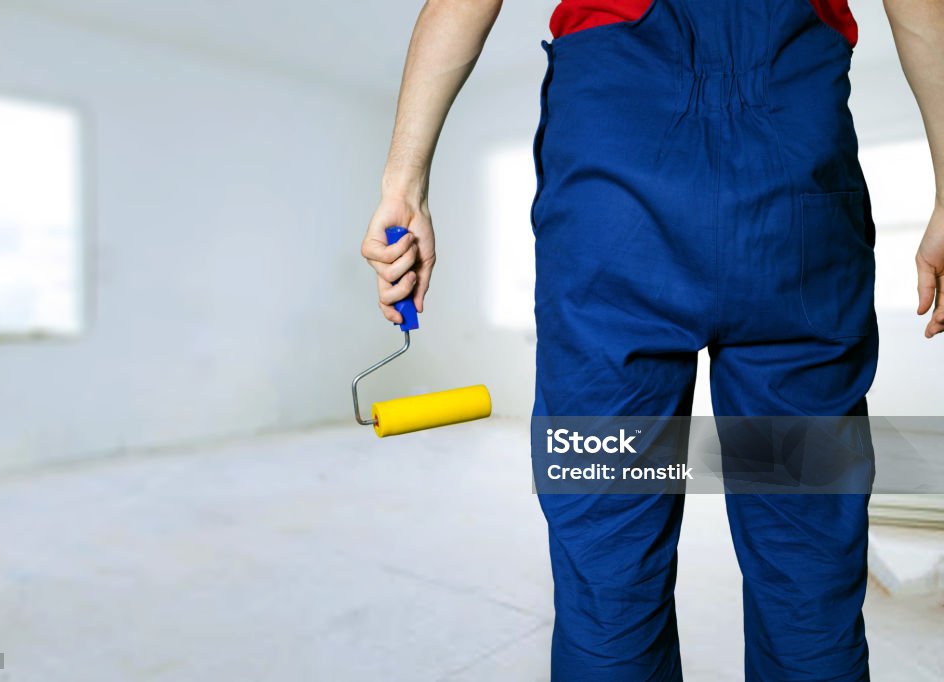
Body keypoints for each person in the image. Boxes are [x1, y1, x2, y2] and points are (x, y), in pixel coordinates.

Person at [360, 1, 944, 679]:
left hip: (616, 182)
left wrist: (404, 180)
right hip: (795, 189)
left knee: (609, 577)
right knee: (808, 559)